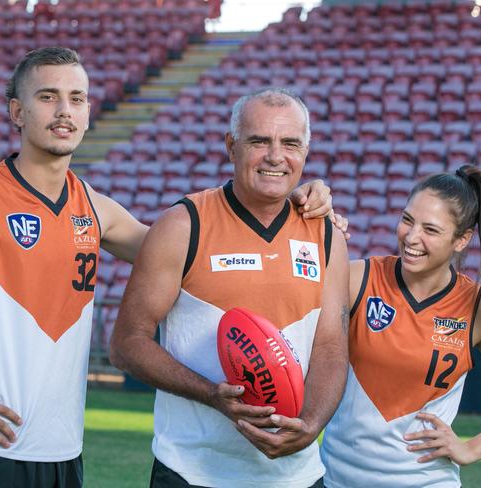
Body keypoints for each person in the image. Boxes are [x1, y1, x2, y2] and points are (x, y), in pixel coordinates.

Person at [0, 49, 338, 487]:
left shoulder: (95, 210)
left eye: (77, 98)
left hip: (63, 451)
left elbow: (203, 250)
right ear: (17, 112)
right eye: (48, 97)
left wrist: (295, 197)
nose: (65, 110)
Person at [110, 87, 350, 488]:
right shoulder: (185, 225)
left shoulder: (326, 235)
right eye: (260, 141)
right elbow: (126, 344)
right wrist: (212, 395)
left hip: (297, 476)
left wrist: (310, 425)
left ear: (306, 151)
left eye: (290, 143)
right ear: (231, 146)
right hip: (193, 472)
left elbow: (330, 347)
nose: (276, 156)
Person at [320, 166, 481, 488]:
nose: (411, 236)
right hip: (337, 480)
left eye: (430, 230)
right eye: (408, 220)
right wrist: (314, 228)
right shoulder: (356, 278)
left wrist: (470, 448)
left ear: (461, 239)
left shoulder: (478, 308)